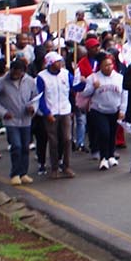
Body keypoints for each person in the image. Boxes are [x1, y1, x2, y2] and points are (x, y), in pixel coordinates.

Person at [33, 51, 82, 179]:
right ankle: (54, 167)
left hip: (65, 110)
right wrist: (46, 112)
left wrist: (81, 80)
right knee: (53, 141)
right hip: (51, 112)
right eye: (57, 62)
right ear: (50, 63)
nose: (60, 64)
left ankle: (66, 166)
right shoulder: (41, 77)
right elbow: (40, 97)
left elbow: (75, 88)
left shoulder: (66, 74)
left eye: (60, 61)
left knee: (67, 139)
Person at [0, 59, 37, 185]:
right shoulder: (2, 82)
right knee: (16, 146)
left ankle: (23, 173)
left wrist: (33, 108)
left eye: (18, 72)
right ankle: (15, 173)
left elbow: (35, 97)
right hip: (11, 120)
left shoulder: (30, 81)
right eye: (13, 71)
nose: (15, 74)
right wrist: (3, 112)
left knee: (25, 147)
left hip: (26, 119)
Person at [86, 52, 126, 170]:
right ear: (101, 66)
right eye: (106, 65)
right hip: (98, 110)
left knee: (112, 133)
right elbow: (84, 93)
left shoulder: (119, 78)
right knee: (104, 132)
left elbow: (125, 94)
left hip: (114, 109)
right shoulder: (93, 78)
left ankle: (111, 155)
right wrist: (93, 87)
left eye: (110, 64)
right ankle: (103, 157)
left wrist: (123, 109)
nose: (109, 67)